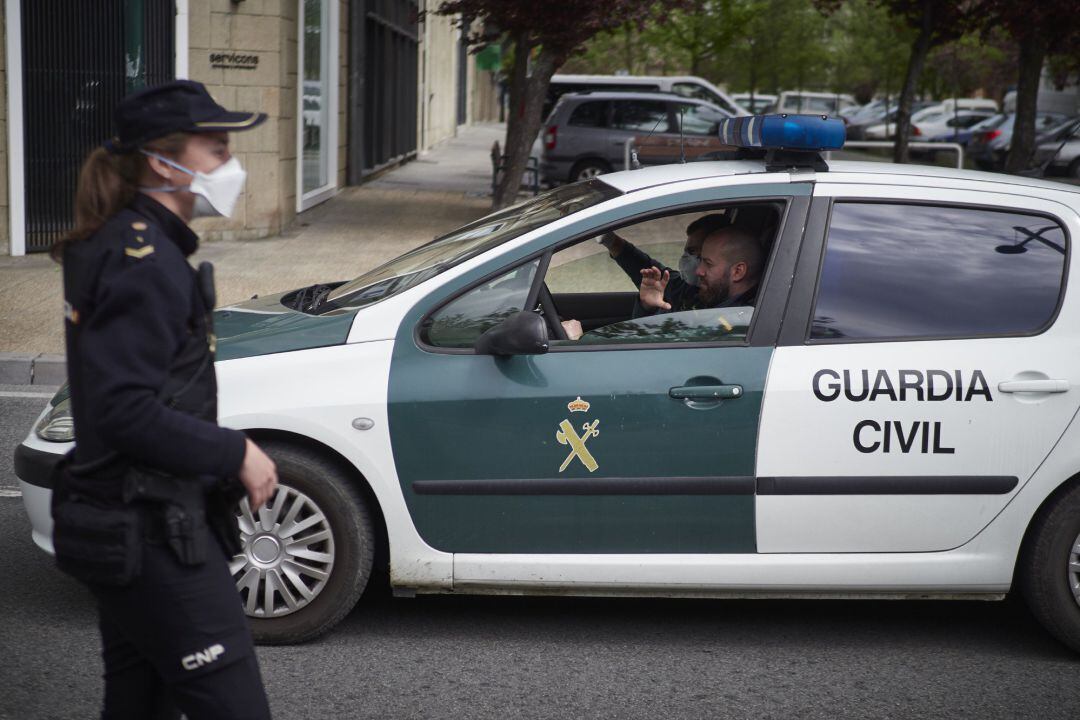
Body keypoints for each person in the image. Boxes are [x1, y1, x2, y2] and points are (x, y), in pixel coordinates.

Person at [50, 80, 277, 719]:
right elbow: (123, 409)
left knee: (139, 702)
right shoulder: (145, 261)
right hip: (147, 529)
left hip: (131, 517)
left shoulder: (131, 243)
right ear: (162, 160)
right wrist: (236, 452)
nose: (231, 166)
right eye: (217, 149)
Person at [638, 225, 763, 314]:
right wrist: (648, 307)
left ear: (738, 272)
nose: (698, 271)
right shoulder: (713, 297)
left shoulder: (737, 324)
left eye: (708, 264)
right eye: (700, 259)